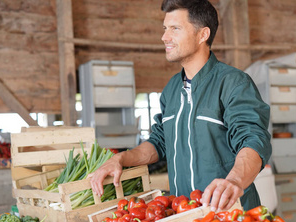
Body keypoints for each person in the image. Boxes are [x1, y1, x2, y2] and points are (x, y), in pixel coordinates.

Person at [89, 0, 271, 211]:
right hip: (184, 214)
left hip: (231, 215)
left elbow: (253, 139)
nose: (164, 37)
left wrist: (235, 181)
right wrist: (120, 158)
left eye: (175, 29)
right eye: (165, 29)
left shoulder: (232, 83)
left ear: (203, 35)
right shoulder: (172, 89)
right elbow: (160, 141)